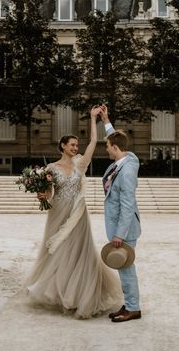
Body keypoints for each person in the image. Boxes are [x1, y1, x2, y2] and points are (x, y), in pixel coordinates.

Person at [24, 106, 122, 318]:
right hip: (57, 212)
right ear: (62, 146)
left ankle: (79, 295)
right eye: (72, 145)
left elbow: (94, 142)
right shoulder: (50, 168)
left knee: (79, 253)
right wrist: (42, 195)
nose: (76, 148)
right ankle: (60, 294)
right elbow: (49, 194)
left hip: (77, 214)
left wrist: (93, 119)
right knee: (58, 251)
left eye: (77, 145)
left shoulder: (81, 165)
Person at [100, 106, 143, 323]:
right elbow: (116, 139)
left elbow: (127, 205)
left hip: (124, 229)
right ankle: (130, 303)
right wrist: (106, 121)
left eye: (108, 146)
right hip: (121, 227)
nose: (106, 150)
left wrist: (119, 234)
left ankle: (133, 308)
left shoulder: (126, 171)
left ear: (115, 148)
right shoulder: (127, 158)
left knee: (125, 268)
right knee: (124, 267)